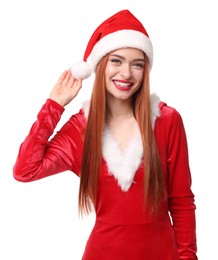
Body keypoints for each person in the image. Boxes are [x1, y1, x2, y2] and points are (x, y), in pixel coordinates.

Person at [13, 9, 198, 260]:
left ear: (146, 71)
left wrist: (187, 257)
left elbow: (182, 201)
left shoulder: (167, 121)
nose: (126, 73)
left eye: (138, 65)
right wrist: (54, 106)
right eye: (117, 61)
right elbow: (25, 170)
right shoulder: (80, 129)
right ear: (100, 66)